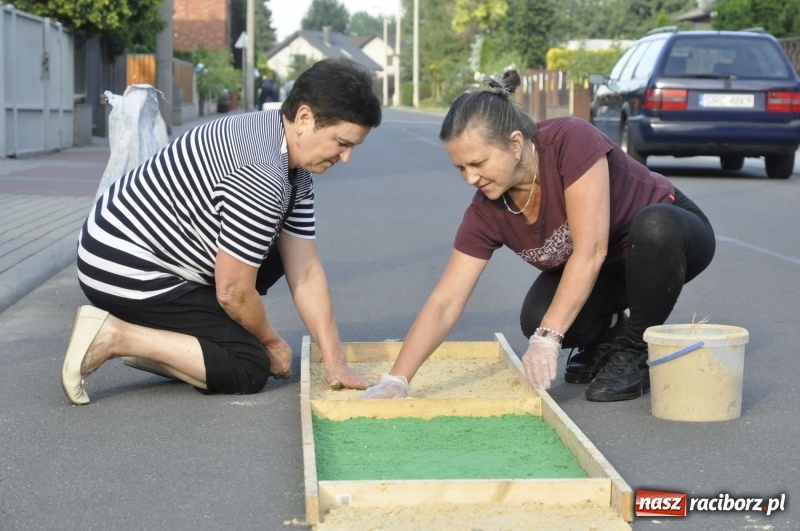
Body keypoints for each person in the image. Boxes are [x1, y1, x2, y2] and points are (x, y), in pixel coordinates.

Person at [362, 70, 715, 402]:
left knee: (653, 228)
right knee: (537, 316)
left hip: (669, 242)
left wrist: (548, 339)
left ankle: (636, 349)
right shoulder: (486, 209)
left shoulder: (570, 141)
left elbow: (591, 250)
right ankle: (608, 335)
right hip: (607, 270)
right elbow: (445, 302)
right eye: (460, 167)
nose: (470, 178)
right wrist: (398, 378)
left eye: (479, 163)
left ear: (515, 145)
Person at [61, 59, 382, 405]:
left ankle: (163, 341)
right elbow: (232, 292)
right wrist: (271, 343)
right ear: (304, 118)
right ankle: (115, 336)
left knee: (277, 258)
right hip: (122, 266)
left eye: (353, 147)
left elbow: (304, 270)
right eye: (342, 142)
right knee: (249, 365)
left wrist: (336, 363)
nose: (345, 157)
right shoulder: (262, 174)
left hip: (146, 250)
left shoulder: (287, 154)